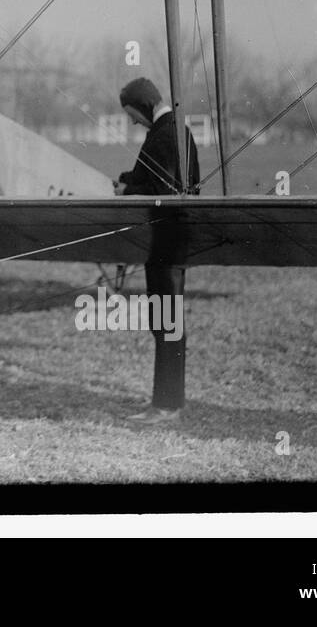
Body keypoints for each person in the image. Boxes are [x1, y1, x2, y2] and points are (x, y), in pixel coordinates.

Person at [113, 77, 200, 424]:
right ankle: (169, 402)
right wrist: (129, 182)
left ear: (145, 107)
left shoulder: (165, 133)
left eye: (134, 115)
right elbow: (157, 177)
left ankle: (165, 406)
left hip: (167, 241)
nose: (134, 122)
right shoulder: (174, 130)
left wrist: (126, 191)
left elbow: (160, 188)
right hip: (173, 240)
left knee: (166, 323)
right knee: (167, 322)